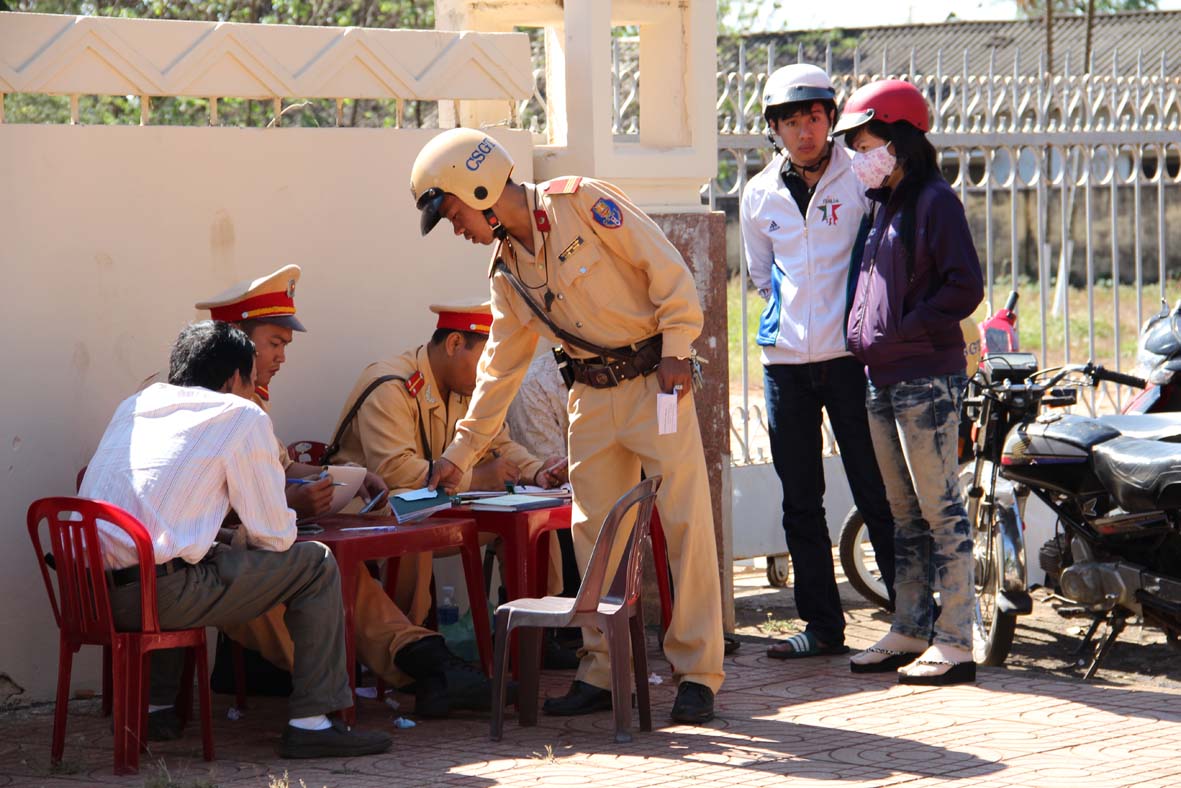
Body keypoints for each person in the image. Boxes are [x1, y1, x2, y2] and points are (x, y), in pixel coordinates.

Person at [410, 128, 725, 723]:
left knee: (684, 523)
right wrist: (460, 454)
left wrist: (678, 349)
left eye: (453, 213)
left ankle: (698, 674)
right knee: (594, 536)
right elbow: (499, 371)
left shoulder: (581, 202)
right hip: (590, 398)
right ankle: (603, 671)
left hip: (655, 383)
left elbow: (668, 270)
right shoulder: (506, 274)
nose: (456, 228)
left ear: (478, 189)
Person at [196, 270, 498, 719]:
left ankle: (427, 664)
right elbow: (216, 503)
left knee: (340, 575)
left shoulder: (248, 398)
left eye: (284, 346)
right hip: (202, 562)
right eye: (274, 344)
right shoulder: (198, 404)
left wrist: (342, 477)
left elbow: (278, 467)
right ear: (235, 342)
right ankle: (349, 690)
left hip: (246, 551)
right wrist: (291, 501)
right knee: (302, 575)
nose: (281, 358)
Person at [80, 321, 390, 758]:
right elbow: (275, 538)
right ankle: (313, 722)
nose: (253, 391)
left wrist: (227, 539)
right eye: (250, 381)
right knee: (316, 565)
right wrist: (284, 515)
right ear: (232, 379)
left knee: (188, 554)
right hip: (157, 597)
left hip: (89, 595)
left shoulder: (136, 404)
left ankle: (155, 709)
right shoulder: (241, 416)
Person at [740, 63, 897, 659]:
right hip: (785, 365)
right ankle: (823, 627)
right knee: (800, 500)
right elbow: (761, 275)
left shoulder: (860, 175)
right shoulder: (759, 193)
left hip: (851, 360)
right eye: (790, 121)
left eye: (813, 117)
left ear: (831, 118)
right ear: (774, 129)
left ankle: (912, 618)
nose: (803, 131)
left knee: (876, 489)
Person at [834, 79, 984, 685]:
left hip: (925, 378)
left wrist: (907, 327)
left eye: (864, 142)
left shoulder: (935, 202)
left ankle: (956, 641)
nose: (856, 155)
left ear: (898, 138)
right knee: (903, 515)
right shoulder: (882, 204)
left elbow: (965, 286)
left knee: (940, 509)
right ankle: (909, 629)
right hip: (881, 376)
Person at [326, 303, 567, 626]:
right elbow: (393, 471)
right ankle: (412, 638)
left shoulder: (467, 387)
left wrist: (537, 471)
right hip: (367, 508)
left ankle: (534, 629)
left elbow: (498, 444)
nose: (489, 376)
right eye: (486, 362)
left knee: (530, 517)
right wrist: (476, 479)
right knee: (410, 517)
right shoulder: (390, 385)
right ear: (454, 344)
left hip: (441, 503)